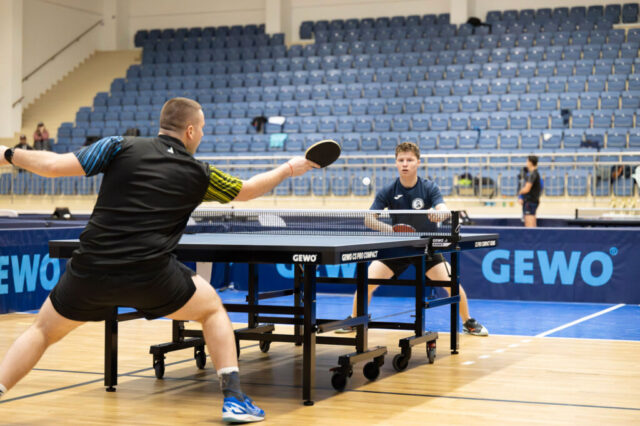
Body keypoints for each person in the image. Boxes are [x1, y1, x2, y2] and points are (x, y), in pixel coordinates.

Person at [0, 97, 318, 423]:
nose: (203, 135)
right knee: (212, 310)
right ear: (190, 131)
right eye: (202, 128)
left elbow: (51, 166)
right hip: (151, 275)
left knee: (41, 331)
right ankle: (234, 399)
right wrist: (288, 169)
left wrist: (7, 154)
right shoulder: (200, 173)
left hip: (91, 269)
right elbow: (247, 190)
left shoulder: (117, 146)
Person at [336, 142, 488, 336]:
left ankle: (468, 322)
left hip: (426, 248)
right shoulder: (388, 190)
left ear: (418, 162)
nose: (405, 164)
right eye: (401, 160)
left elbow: (444, 209)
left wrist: (439, 214)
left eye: (409, 160)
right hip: (398, 247)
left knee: (451, 284)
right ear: (396, 163)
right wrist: (391, 230)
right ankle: (356, 319)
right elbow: (369, 219)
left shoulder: (429, 187)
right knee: (366, 282)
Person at [517, 155, 541, 228]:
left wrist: (519, 192)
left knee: (529, 225)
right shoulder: (535, 173)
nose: (526, 163)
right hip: (533, 201)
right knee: (533, 224)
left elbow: (526, 189)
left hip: (530, 202)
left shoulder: (532, 174)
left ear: (530, 162)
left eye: (527, 161)